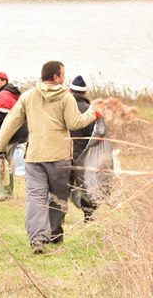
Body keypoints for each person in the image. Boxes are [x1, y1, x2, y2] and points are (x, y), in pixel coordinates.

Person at [0, 61, 100, 254]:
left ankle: (37, 238)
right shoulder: (65, 97)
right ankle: (53, 233)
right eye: (63, 74)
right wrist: (94, 113)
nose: (64, 78)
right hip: (60, 157)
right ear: (56, 77)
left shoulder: (28, 96)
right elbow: (75, 123)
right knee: (57, 196)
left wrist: (0, 148)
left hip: (35, 156)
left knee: (35, 196)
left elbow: (10, 122)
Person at [0, 71, 28, 200]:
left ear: (4, 81)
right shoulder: (13, 93)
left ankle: (3, 193)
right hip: (18, 132)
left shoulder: (3, 94)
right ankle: (7, 192)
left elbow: (2, 115)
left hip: (9, 133)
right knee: (7, 162)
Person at [68, 75, 97, 222]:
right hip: (84, 157)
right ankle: (89, 217)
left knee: (61, 188)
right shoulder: (90, 110)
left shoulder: (64, 107)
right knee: (86, 188)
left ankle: (57, 219)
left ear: (70, 90)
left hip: (65, 154)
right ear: (84, 93)